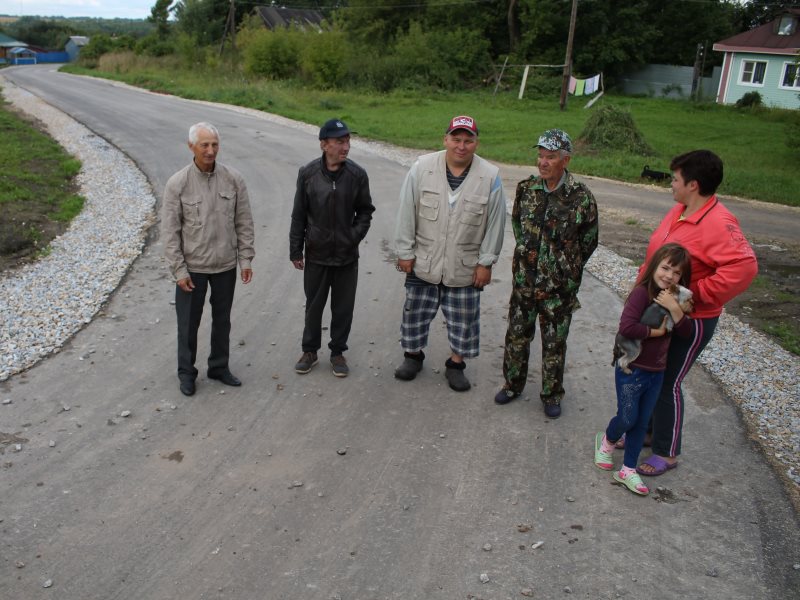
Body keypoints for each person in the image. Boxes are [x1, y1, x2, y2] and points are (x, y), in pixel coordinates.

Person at [636, 149, 757, 476]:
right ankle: (648, 432)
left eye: (675, 179)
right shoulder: (680, 210)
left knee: (667, 382)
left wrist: (695, 296)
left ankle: (667, 451)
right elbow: (659, 255)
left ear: (693, 184)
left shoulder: (719, 222)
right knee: (650, 371)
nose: (670, 184)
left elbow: (744, 267)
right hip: (661, 309)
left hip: (693, 319)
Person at [393, 115, 506, 392]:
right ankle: (413, 356)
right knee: (415, 312)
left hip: (465, 265)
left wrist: (486, 262)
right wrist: (404, 251)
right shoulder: (422, 168)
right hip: (424, 259)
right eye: (456, 139)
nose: (462, 146)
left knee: (464, 318)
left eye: (468, 140)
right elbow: (406, 211)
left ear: (476, 143)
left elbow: (495, 224)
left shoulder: (490, 176)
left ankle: (456, 364)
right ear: (446, 139)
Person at [494, 128, 598, 418]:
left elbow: (589, 241)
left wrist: (564, 268)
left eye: (550, 157)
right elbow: (518, 226)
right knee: (516, 335)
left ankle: (552, 394)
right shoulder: (526, 189)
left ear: (565, 160)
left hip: (558, 289)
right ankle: (512, 384)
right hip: (524, 282)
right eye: (540, 156)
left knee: (554, 343)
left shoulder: (580, 197)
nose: (542, 162)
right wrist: (530, 260)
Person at [162, 122, 255, 396]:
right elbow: (170, 232)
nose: (210, 150)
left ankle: (218, 366)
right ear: (191, 146)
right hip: (193, 269)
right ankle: (186, 373)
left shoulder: (233, 180)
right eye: (204, 145)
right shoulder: (177, 184)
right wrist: (179, 270)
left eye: (214, 144)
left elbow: (244, 221)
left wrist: (245, 259)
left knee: (222, 320)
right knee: (188, 324)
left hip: (225, 264)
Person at [594, 243, 692, 495]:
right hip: (631, 369)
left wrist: (673, 307)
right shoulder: (641, 293)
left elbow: (687, 333)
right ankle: (607, 440)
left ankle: (628, 469)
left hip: (656, 372)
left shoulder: (677, 299)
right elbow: (627, 327)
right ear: (654, 267)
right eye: (665, 268)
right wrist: (655, 332)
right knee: (628, 417)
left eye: (676, 272)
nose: (669, 276)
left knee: (640, 422)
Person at [290, 118, 375, 377]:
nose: (345, 147)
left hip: (347, 257)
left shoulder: (357, 175)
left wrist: (353, 237)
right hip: (316, 254)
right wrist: (296, 250)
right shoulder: (308, 174)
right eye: (339, 141)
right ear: (324, 144)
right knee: (313, 306)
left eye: (347, 140)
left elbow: (365, 211)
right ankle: (310, 350)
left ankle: (338, 352)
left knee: (343, 307)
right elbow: (299, 214)